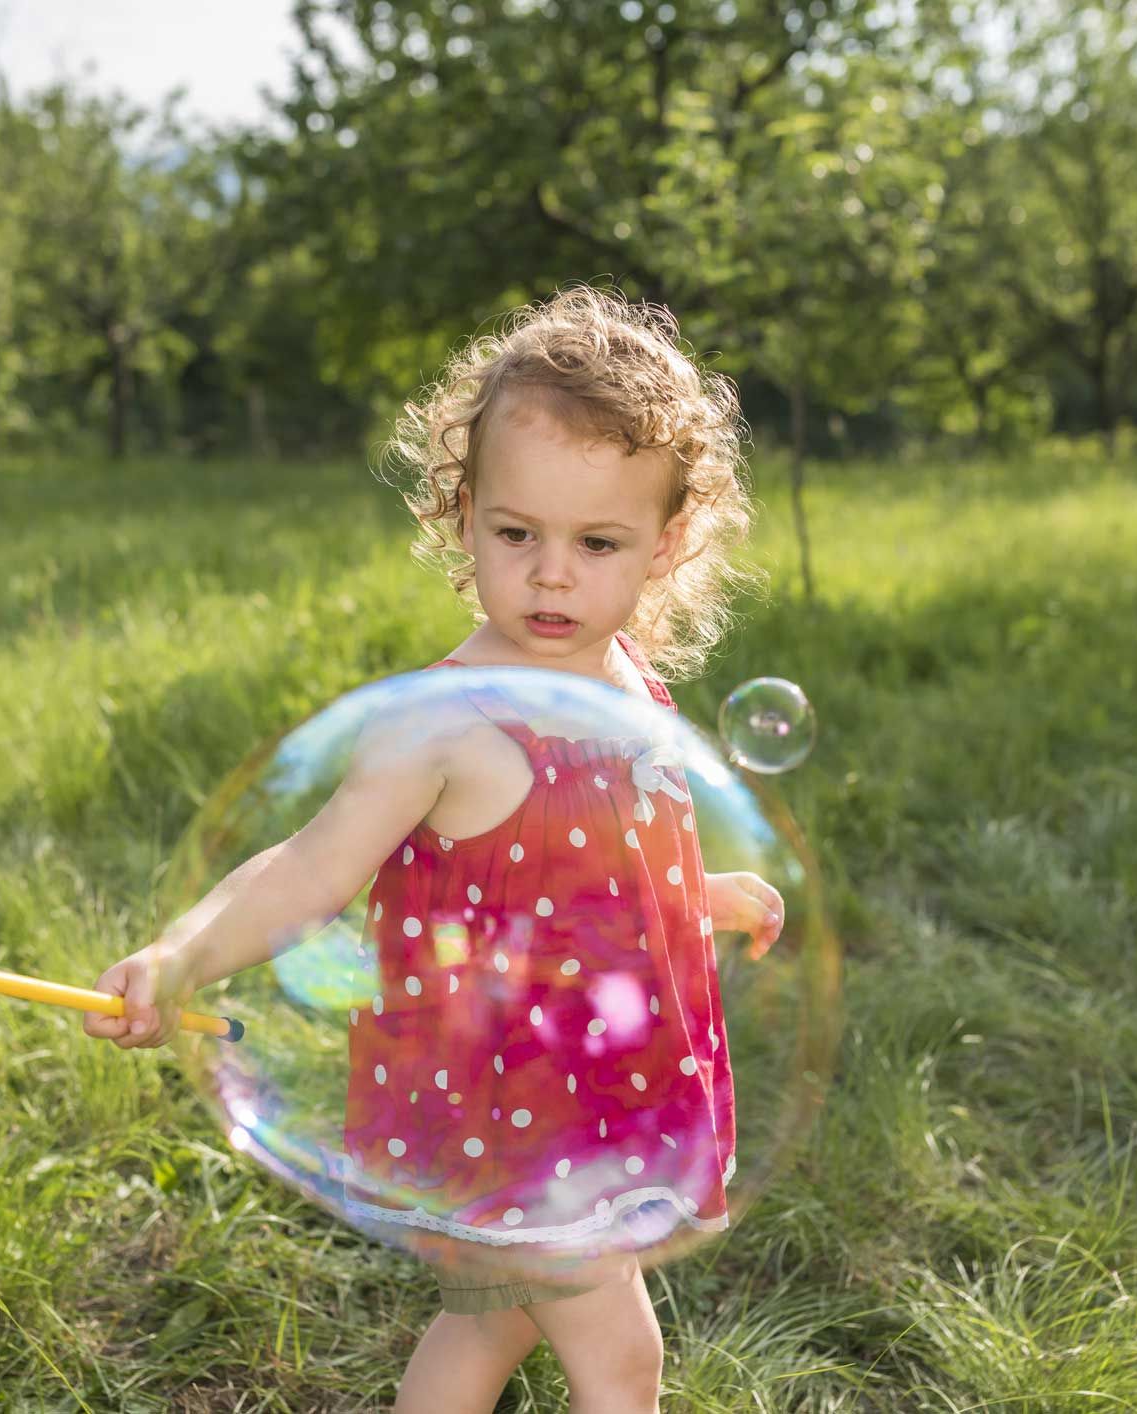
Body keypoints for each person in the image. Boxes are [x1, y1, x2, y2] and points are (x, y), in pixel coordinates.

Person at [85, 285, 784, 1414]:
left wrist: (697, 894)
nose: (552, 573)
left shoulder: (627, 687)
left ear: (665, 545)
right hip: (519, 1118)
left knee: (494, 1331)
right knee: (623, 1362)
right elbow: (308, 867)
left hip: (606, 1089)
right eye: (517, 533)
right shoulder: (444, 725)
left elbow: (592, 878)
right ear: (461, 514)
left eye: (596, 542)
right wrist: (178, 956)